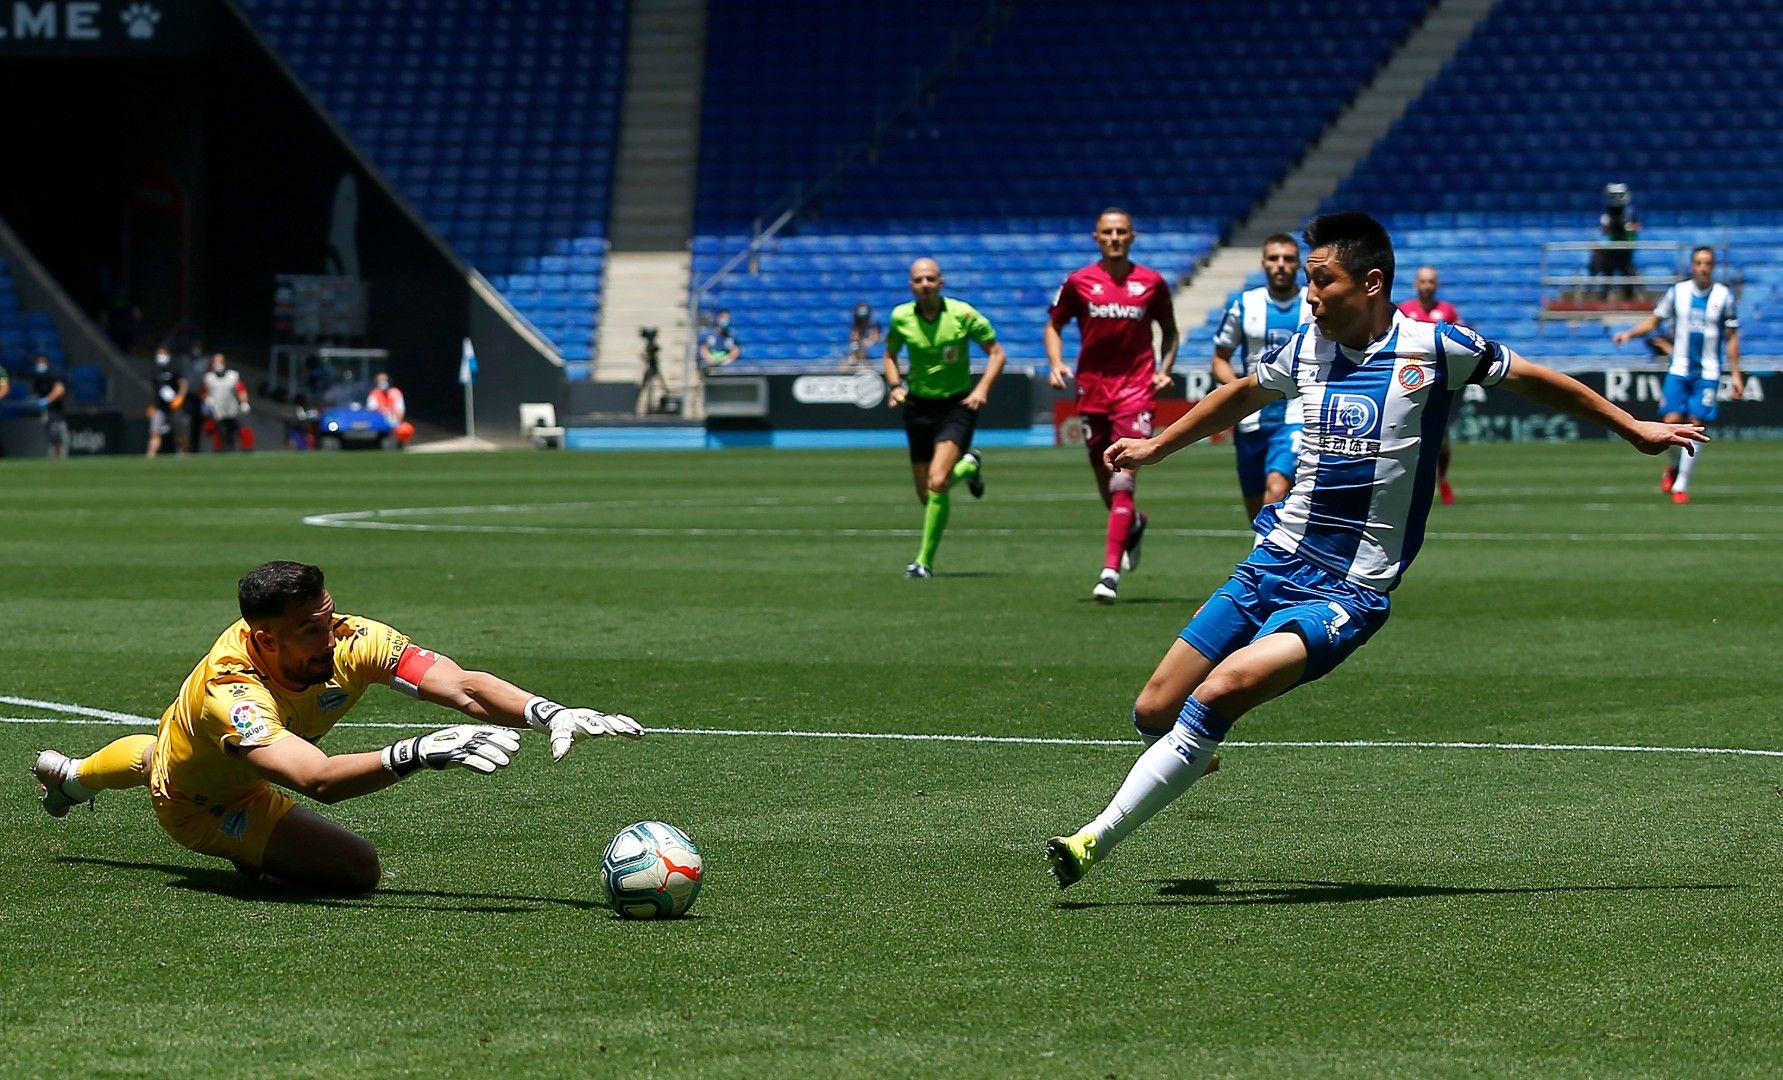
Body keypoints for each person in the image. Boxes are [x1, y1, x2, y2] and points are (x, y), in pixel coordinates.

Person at [1042, 212, 1706, 890]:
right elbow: (1240, 392)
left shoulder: (1436, 346)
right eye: (1305, 280)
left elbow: (1534, 377)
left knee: (1219, 692)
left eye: (1320, 281)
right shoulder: (1304, 348)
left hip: (1347, 590)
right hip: (1272, 562)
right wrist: (1158, 446)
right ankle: (1190, 755)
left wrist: (1631, 429)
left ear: (1370, 283)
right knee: (1152, 711)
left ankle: (1092, 838)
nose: (1308, 295)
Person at [32, 560, 644, 893]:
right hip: (207, 807)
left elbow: (459, 685)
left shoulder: (349, 637)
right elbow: (316, 778)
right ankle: (237, 849)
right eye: (311, 631)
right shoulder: (233, 692)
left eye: (328, 618)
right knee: (358, 871)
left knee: (166, 750)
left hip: (195, 750)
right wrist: (415, 752)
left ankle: (73, 779)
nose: (330, 637)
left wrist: (547, 711)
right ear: (265, 639)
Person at [1045, 208, 1179, 603]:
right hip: (1092, 391)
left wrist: (1164, 368)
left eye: (1122, 232)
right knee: (1107, 482)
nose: (1115, 238)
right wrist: (1056, 363)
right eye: (1108, 232)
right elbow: (1054, 324)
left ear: (1132, 236)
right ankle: (1134, 523)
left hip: (1136, 390)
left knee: (1123, 477)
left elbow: (1169, 331)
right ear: (1097, 237)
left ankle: (1108, 572)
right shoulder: (1078, 282)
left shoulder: (1152, 283)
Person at [883, 258, 1005, 578]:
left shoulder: (963, 315)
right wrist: (895, 386)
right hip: (917, 406)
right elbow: (890, 355)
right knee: (927, 495)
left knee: (938, 481)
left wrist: (981, 390)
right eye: (919, 280)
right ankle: (969, 466)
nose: (925, 284)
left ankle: (923, 562)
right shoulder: (900, 318)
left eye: (930, 279)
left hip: (956, 406)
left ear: (941, 282)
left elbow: (997, 352)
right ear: (911, 286)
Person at [1612, 245, 1741, 504]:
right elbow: (1654, 321)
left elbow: (1731, 338)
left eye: (1707, 263)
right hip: (1679, 368)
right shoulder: (1678, 293)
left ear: (1712, 267)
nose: (1703, 267)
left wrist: (1736, 374)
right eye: (1699, 263)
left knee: (1695, 425)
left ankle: (1680, 484)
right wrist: (1629, 334)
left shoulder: (1724, 296)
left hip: (1708, 371)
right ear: (1692, 266)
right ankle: (1674, 466)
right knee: (1671, 421)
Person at [1211, 234, 1311, 522]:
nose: (1281, 265)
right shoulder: (1244, 305)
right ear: (1264, 262)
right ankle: (1269, 556)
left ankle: (1266, 565)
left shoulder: (1313, 305)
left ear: (1298, 264)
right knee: (1255, 512)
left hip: (1297, 413)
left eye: (1288, 259)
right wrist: (1238, 392)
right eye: (1274, 258)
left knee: (1277, 489)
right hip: (1251, 418)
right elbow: (1220, 358)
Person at [1395, 265, 1463, 505]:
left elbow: (1461, 339)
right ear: (1416, 284)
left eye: (1431, 281)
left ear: (1436, 285)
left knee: (1441, 441)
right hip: (1408, 384)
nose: (1426, 286)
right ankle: (1405, 484)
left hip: (1439, 383)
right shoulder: (1404, 310)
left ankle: (1441, 478)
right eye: (1423, 281)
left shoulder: (1447, 311)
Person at [1590, 183, 1641, 301]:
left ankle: (1630, 299)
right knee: (1608, 274)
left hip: (1626, 248)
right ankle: (1603, 298)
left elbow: (1637, 227)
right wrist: (1607, 226)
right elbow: (1603, 232)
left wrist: (1629, 227)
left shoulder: (1630, 211)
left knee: (1627, 275)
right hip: (1611, 249)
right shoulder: (1607, 213)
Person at [202, 352, 250, 452]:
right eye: (216, 361)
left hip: (232, 411)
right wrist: (207, 401)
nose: (218, 364)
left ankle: (245, 450)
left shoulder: (232, 376)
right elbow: (204, 392)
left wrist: (244, 403)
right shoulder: (209, 378)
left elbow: (241, 390)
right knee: (220, 434)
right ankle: (221, 451)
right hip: (218, 412)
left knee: (240, 431)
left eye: (220, 361)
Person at [146, 347, 187, 458]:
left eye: (163, 354)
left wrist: (180, 398)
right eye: (159, 354)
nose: (161, 356)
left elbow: (183, 384)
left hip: (174, 408)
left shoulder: (174, 370)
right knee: (155, 433)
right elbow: (153, 391)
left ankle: (183, 453)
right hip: (159, 408)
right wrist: (151, 405)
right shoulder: (154, 372)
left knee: (180, 434)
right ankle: (151, 455)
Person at [30, 355, 67, 459]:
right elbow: (35, 393)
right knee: (49, 433)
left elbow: (60, 390)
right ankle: (54, 454)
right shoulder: (38, 377)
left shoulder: (53, 374)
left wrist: (47, 400)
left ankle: (60, 455)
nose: (39, 365)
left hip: (55, 410)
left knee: (56, 433)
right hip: (45, 411)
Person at [367, 371, 414, 446]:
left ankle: (400, 444)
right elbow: (371, 410)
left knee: (406, 428)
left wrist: (397, 423)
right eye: (380, 380)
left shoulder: (396, 392)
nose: (382, 382)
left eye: (384, 380)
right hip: (379, 422)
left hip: (394, 421)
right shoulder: (374, 394)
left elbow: (400, 410)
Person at [845, 301, 882, 370]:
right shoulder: (856, 326)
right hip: (861, 350)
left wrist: (863, 343)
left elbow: (875, 338)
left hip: (870, 349)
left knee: (860, 347)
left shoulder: (874, 325)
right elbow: (854, 338)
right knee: (854, 347)